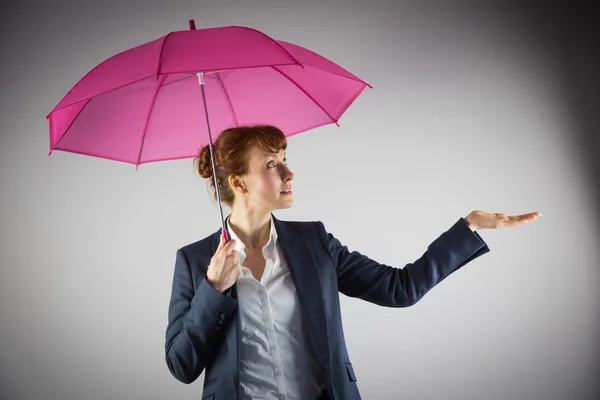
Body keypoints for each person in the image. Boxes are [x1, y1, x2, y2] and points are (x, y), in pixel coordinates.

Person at [164, 125, 541, 400]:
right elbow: (182, 366)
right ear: (239, 182)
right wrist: (213, 288)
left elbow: (400, 288)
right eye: (271, 164)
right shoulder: (196, 261)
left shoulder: (314, 243)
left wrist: (469, 227)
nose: (288, 173)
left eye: (284, 160)